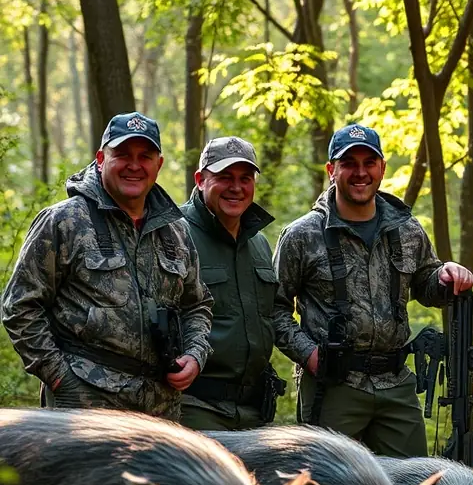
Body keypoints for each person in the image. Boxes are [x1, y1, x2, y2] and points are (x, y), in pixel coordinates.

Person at [273, 123, 473, 457]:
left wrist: (446, 276)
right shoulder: (302, 236)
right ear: (331, 170)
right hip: (334, 386)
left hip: (396, 384)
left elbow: (426, 283)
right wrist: (309, 354)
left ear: (382, 168)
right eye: (349, 163)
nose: (360, 172)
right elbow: (273, 310)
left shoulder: (406, 229)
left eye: (369, 163)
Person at [2, 112, 213, 418]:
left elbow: (197, 305)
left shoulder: (176, 231)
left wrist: (195, 355)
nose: (134, 165)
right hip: (85, 405)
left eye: (145, 156)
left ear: (159, 164)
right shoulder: (65, 221)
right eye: (122, 155)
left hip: (159, 409)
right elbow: (19, 307)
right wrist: (60, 377)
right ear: (101, 158)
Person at [179, 136, 285, 430]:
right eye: (224, 177)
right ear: (200, 179)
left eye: (245, 178)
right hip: (195, 406)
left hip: (254, 410)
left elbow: (274, 315)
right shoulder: (174, 235)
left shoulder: (259, 244)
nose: (236, 187)